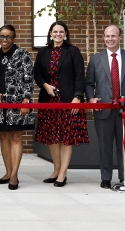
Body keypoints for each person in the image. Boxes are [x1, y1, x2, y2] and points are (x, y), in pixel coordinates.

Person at [85, 25, 125, 189]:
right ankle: (105, 178)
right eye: (106, 36)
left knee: (124, 145)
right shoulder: (95, 59)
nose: (109, 39)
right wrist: (91, 99)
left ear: (120, 37)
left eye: (113, 36)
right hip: (103, 110)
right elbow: (89, 84)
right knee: (104, 146)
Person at [34, 21, 88, 188]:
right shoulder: (43, 52)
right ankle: (56, 170)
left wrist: (77, 97)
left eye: (61, 32)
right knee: (52, 137)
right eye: (55, 31)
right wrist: (46, 86)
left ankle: (63, 173)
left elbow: (80, 75)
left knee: (66, 138)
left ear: (65, 34)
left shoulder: (72, 51)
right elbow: (37, 73)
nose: (58, 34)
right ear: (50, 33)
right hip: (48, 101)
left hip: (68, 101)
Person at [0, 25, 35, 190]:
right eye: (1, 36)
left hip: (18, 103)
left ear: (13, 38)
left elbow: (29, 78)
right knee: (3, 137)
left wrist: (26, 100)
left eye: (8, 37)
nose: (4, 40)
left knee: (16, 137)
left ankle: (14, 175)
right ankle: (7, 172)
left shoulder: (23, 55)